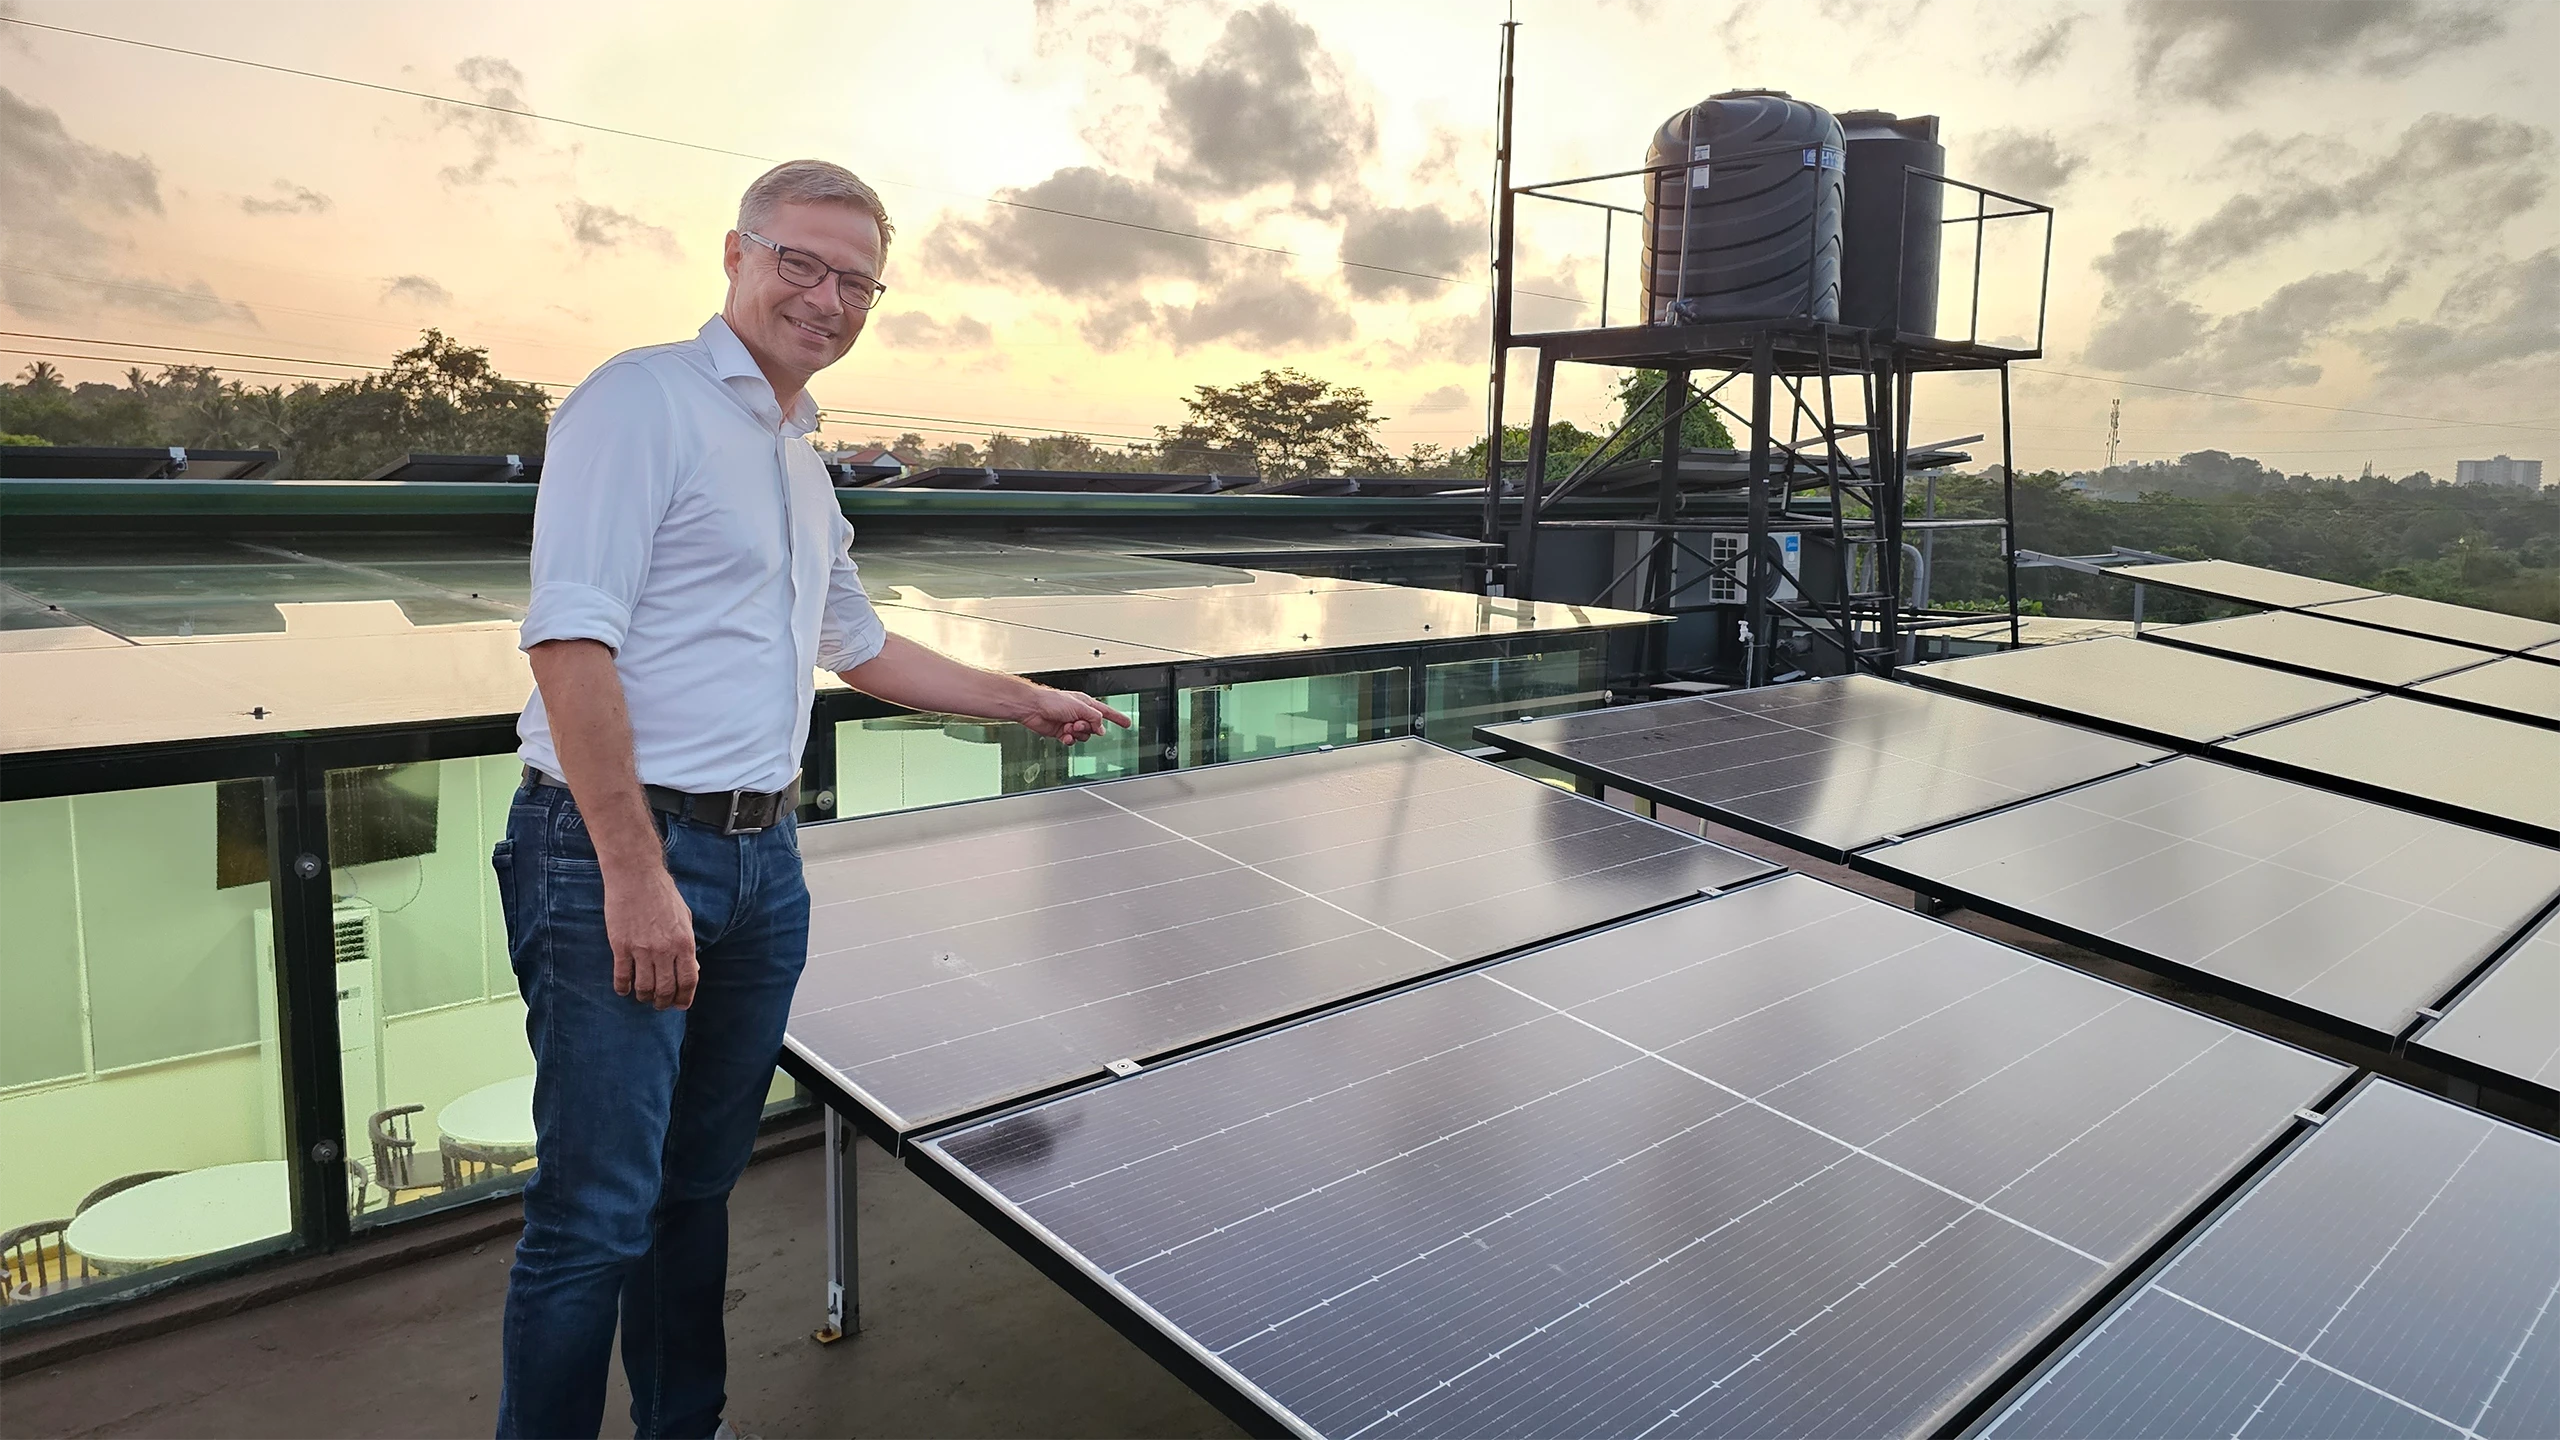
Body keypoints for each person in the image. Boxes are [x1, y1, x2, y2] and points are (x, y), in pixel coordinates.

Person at [493, 158, 1128, 1440]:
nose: (826, 298)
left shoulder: (796, 458)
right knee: (596, 1211)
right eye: (801, 263)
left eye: (856, 282)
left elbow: (861, 646)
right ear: (734, 254)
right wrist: (634, 875)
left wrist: (1021, 698)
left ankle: (687, 1425)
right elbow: (570, 646)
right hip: (617, 851)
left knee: (694, 1189)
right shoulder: (640, 404)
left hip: (760, 858)